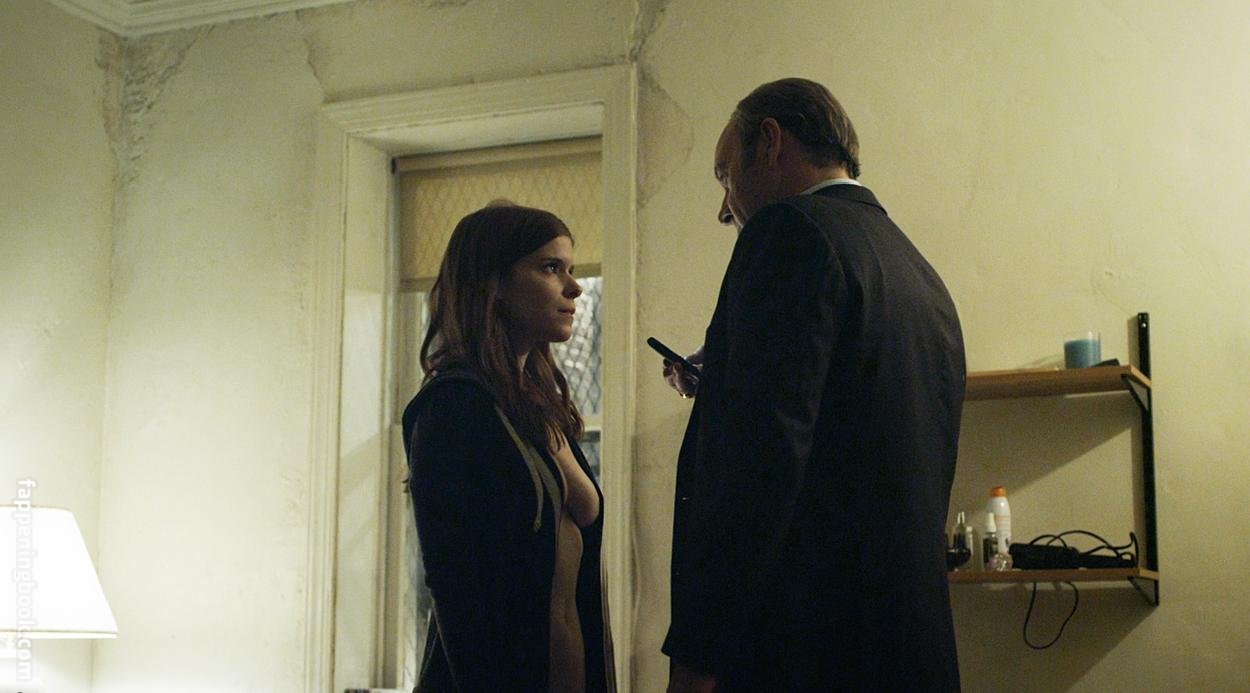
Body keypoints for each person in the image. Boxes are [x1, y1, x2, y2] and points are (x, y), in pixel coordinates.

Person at [662, 78, 966, 692]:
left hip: (807, 650)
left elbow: (755, 469)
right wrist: (731, 373)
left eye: (725, 174)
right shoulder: (917, 271)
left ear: (770, 142)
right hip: (908, 648)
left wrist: (698, 654)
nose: (724, 208)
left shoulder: (788, 232)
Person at [402, 202, 615, 692]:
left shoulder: (534, 404)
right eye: (550, 268)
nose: (575, 287)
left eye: (571, 269)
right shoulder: (456, 406)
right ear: (492, 284)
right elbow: (457, 591)